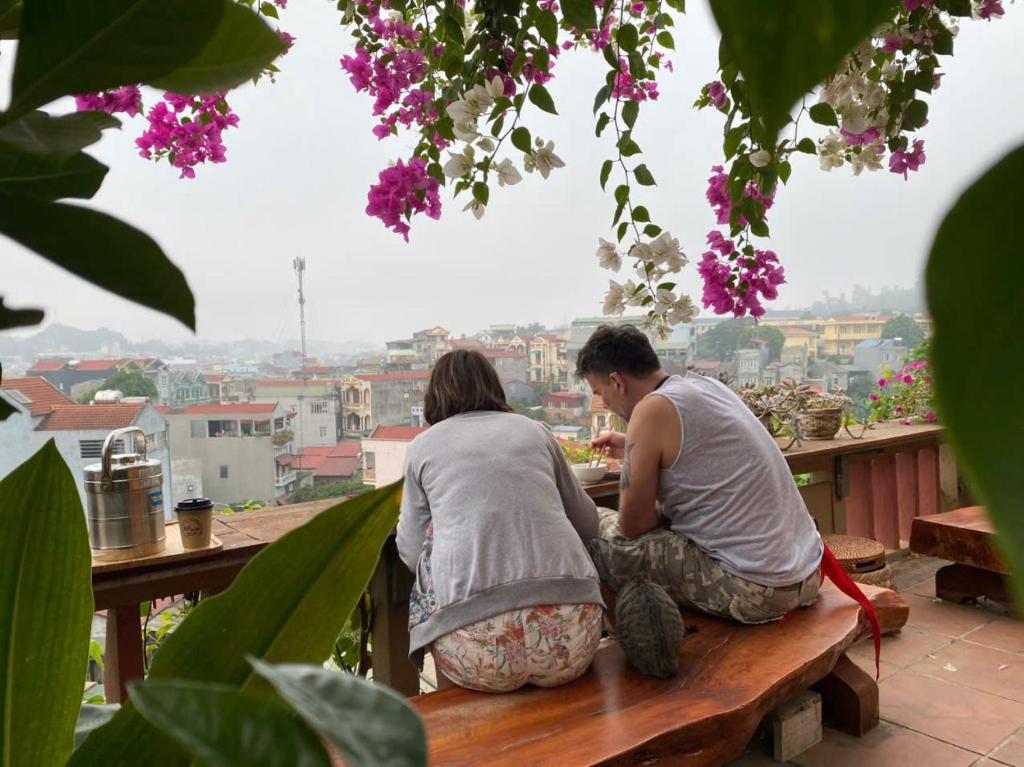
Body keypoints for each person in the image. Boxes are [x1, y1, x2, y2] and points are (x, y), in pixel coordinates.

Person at [578, 324, 823, 676]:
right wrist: (634, 447)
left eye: (599, 392)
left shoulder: (650, 411)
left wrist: (637, 448)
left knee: (595, 531)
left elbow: (634, 526)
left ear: (617, 381)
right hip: (807, 571)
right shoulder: (703, 385)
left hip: (760, 589)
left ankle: (643, 650)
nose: (604, 403)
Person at [396, 349, 604, 693]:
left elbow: (411, 550)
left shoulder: (423, 447)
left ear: (435, 394)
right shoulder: (535, 431)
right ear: (494, 387)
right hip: (573, 638)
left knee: (432, 559)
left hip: (476, 652)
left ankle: (451, 709)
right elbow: (587, 523)